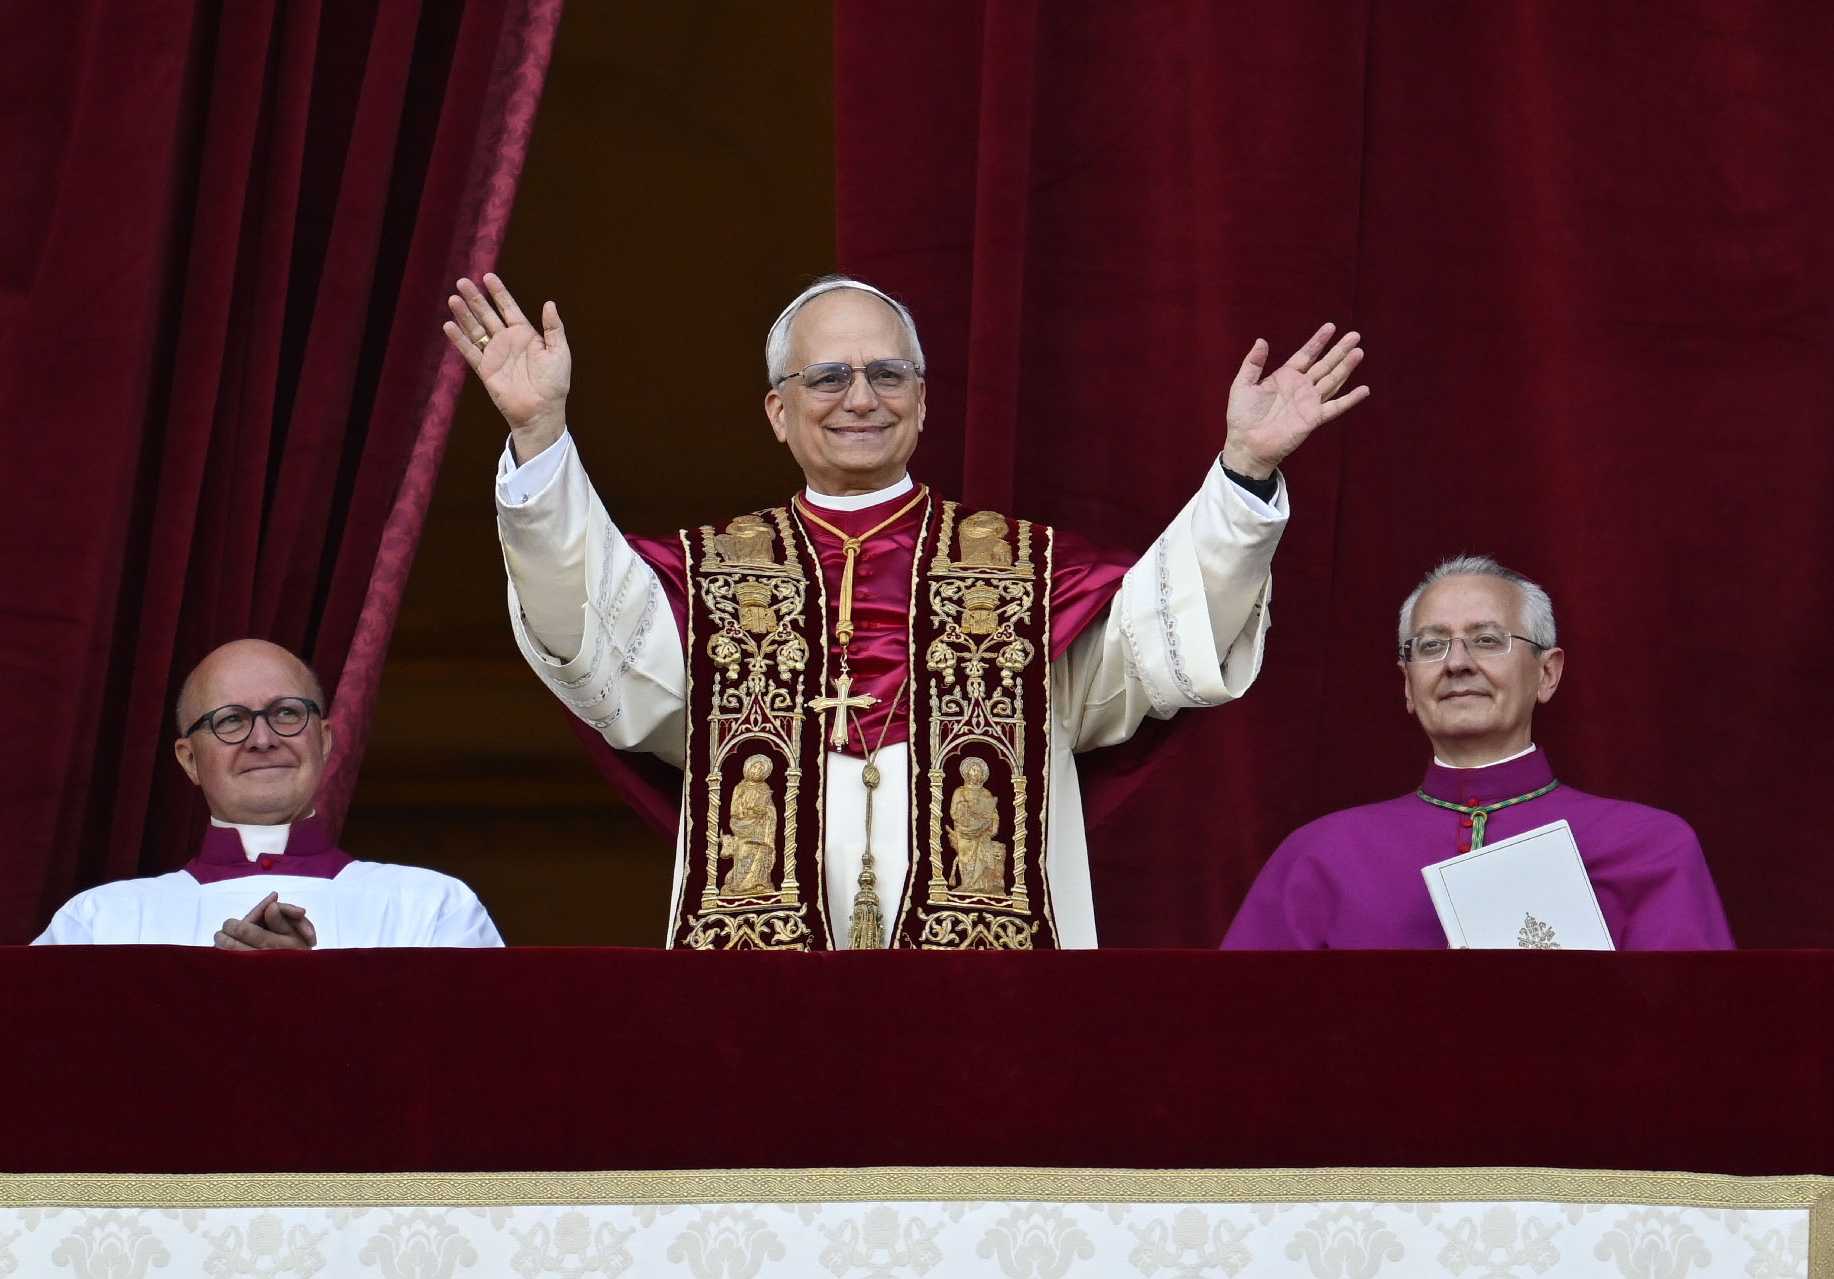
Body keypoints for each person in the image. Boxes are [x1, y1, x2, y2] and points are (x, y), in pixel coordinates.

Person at [447, 273, 1367, 950]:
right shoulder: (710, 579)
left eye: (888, 374)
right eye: (828, 377)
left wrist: (1245, 471)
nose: (861, 397)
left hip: (988, 997)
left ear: (923, 403)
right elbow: (591, 636)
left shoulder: (1025, 576)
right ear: (776, 410)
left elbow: (1163, 636)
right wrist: (539, 435)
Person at [1221, 555, 1733, 949]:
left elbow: (1692, 1034)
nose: (1457, 663)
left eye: (1487, 640)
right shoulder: (1320, 856)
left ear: (1547, 673)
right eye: (1431, 645)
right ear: (1408, 684)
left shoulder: (1650, 848)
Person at [35, 639, 503, 948]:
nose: (262, 739)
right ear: (189, 759)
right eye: (231, 720)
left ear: (324, 740)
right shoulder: (100, 923)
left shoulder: (432, 908)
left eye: (286, 713)